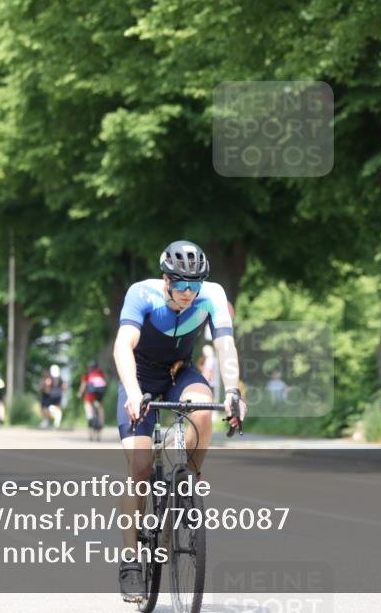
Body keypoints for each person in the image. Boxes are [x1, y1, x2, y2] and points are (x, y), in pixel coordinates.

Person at [113, 240, 245, 602]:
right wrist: (134, 391)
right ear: (166, 279)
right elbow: (123, 344)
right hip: (139, 378)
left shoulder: (211, 295)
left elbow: (225, 345)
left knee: (204, 410)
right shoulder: (142, 294)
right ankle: (130, 562)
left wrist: (232, 391)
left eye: (195, 284)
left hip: (179, 373)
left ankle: (186, 481)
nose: (189, 292)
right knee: (139, 468)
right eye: (181, 284)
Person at [78, 361, 107, 431]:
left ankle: (90, 416)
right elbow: (104, 381)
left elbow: (84, 384)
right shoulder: (100, 372)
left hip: (92, 391)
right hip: (100, 390)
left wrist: (80, 393)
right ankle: (102, 422)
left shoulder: (87, 373)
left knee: (87, 402)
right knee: (100, 406)